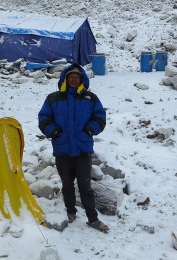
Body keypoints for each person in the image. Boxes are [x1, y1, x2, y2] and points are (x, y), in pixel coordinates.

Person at [38, 63, 109, 232]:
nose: (73, 80)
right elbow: (44, 118)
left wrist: (91, 129)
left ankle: (93, 218)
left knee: (85, 186)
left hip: (83, 150)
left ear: (81, 80)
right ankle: (71, 211)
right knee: (67, 185)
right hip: (62, 149)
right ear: (65, 79)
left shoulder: (90, 98)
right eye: (70, 77)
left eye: (76, 77)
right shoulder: (53, 98)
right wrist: (53, 131)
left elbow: (100, 117)